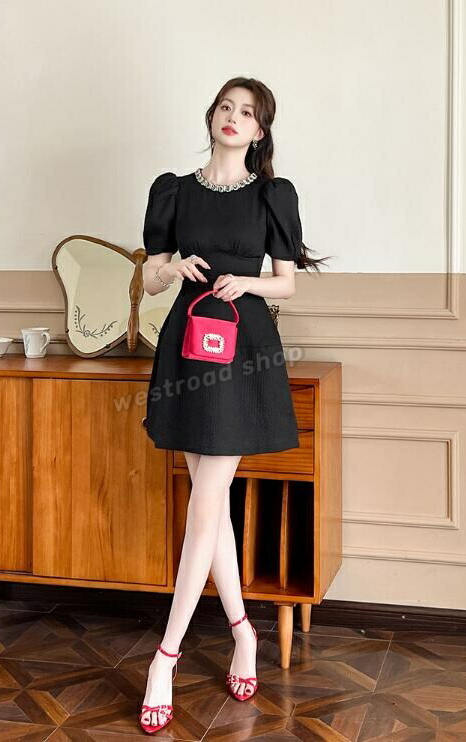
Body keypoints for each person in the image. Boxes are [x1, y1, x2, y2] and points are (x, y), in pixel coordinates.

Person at [139, 76, 330, 734]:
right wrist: (172, 268)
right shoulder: (174, 190)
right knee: (210, 502)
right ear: (212, 116)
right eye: (226, 107)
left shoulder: (272, 195)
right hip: (187, 344)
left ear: (259, 130)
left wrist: (244, 280)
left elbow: (287, 284)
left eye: (247, 112)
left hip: (242, 349)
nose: (233, 117)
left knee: (205, 502)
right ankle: (244, 632)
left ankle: (165, 656)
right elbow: (149, 275)